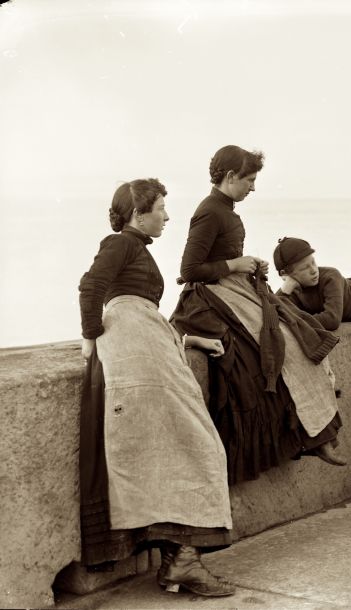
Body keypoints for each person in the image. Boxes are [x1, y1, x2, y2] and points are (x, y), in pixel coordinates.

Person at [78, 178, 235, 597]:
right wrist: (92, 336)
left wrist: (185, 340)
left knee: (177, 451)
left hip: (146, 349)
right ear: (137, 213)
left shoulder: (134, 249)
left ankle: (179, 561)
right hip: (133, 356)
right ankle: (183, 562)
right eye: (161, 208)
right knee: (197, 447)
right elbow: (91, 287)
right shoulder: (120, 245)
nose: (166, 216)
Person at [171, 145, 346, 484]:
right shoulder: (209, 211)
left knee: (298, 339)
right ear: (230, 177)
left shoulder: (225, 209)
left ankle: (317, 436)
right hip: (214, 299)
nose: (253, 187)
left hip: (236, 289)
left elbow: (219, 257)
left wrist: (249, 264)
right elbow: (189, 268)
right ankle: (312, 438)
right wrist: (234, 265)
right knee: (281, 349)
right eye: (249, 180)